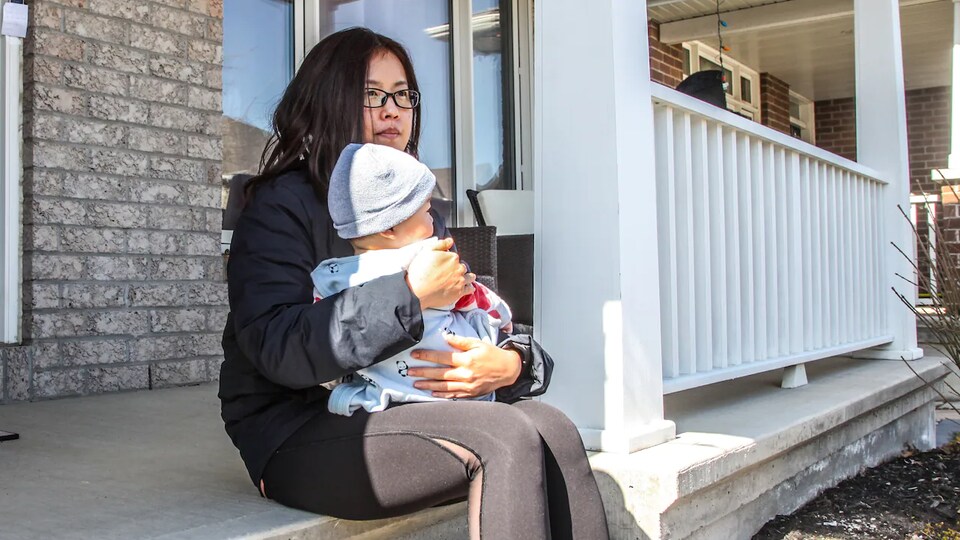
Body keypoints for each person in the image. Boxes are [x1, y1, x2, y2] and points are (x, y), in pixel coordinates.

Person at [219, 27, 609, 539]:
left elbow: (479, 311)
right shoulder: (279, 206)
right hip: (301, 430)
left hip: (415, 411)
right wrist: (409, 296)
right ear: (328, 99)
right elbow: (276, 347)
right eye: (372, 94)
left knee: (553, 426)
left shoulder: (421, 213)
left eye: (403, 94)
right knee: (507, 435)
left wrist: (511, 364)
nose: (393, 110)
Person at [316, 142, 513, 416]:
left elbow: (324, 331)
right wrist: (502, 316)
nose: (433, 220)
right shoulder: (427, 257)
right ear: (391, 227)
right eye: (426, 211)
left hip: (387, 396)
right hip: (455, 386)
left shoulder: (330, 275)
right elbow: (471, 293)